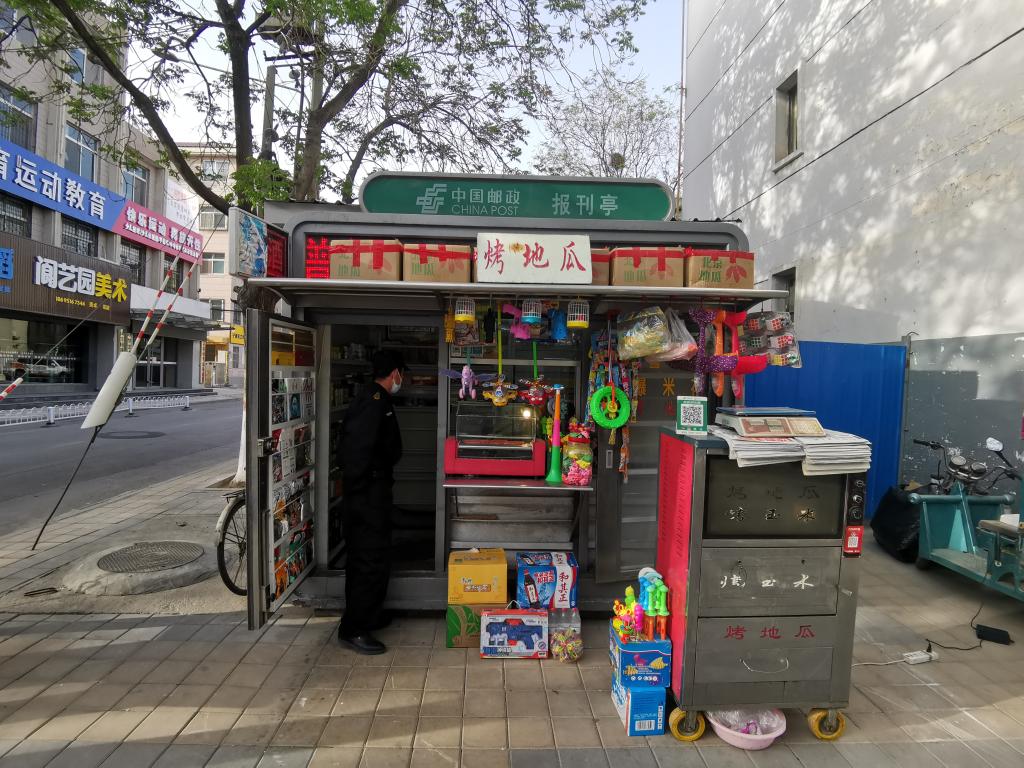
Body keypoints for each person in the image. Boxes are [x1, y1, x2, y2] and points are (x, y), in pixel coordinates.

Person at [337, 349, 406, 654]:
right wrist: (363, 494)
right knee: (366, 560)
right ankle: (353, 628)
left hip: (374, 492)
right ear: (395, 373)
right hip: (365, 495)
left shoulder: (378, 399)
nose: (403, 379)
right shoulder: (372, 402)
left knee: (377, 557)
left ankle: (371, 615)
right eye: (402, 374)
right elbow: (356, 453)